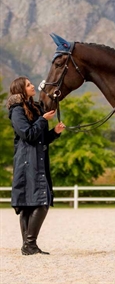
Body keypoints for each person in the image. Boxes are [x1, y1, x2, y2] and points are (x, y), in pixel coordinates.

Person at [6, 76, 66, 255]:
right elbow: (27, 134)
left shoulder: (33, 108)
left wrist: (54, 133)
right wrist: (43, 120)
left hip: (36, 159)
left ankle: (28, 245)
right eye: (28, 85)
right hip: (27, 162)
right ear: (21, 90)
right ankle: (29, 244)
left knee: (30, 203)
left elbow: (40, 139)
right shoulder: (17, 110)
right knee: (41, 201)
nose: (32, 86)